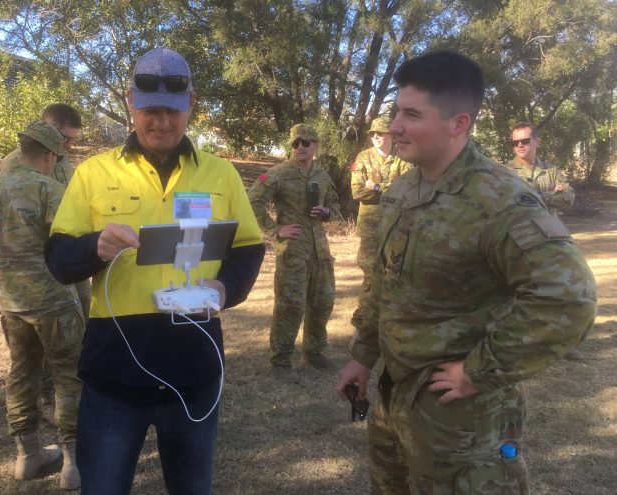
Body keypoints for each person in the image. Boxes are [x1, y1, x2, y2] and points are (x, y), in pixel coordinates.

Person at [336, 50, 596, 494]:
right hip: (395, 392)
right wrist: (363, 354)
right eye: (397, 111)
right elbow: (385, 283)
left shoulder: (498, 199)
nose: (395, 126)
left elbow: (568, 297)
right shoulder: (405, 188)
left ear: (458, 123)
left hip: (459, 418)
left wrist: (480, 370)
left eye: (411, 114)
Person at [44, 47, 265, 495]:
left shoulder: (221, 175)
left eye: (172, 111)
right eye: (151, 111)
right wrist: (95, 246)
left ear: (192, 105)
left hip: (195, 368)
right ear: (130, 101)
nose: (161, 122)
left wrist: (225, 288)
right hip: (114, 372)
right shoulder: (93, 172)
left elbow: (249, 247)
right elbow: (59, 259)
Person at [0, 121, 84, 490]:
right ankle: (72, 465)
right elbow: (70, 243)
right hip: (54, 301)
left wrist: (13, 258)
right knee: (68, 376)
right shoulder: (49, 190)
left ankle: (26, 456)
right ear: (49, 155)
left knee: (21, 373)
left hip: (13, 304)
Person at [0, 103, 90, 421]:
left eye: (72, 141)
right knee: (44, 355)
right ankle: (54, 400)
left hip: (71, 261)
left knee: (81, 326)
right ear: (47, 127)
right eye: (65, 139)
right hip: (38, 273)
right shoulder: (12, 165)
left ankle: (77, 389)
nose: (68, 147)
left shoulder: (63, 160)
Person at [248, 124, 340, 383]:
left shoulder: (321, 173)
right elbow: (253, 200)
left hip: (320, 250)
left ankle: (314, 352)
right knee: (291, 306)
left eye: (306, 142)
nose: (300, 146)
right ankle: (281, 360)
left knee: (323, 303)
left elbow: (334, 205)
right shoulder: (279, 173)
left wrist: (326, 212)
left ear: (316, 145)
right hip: (294, 252)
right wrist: (275, 229)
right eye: (295, 143)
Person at [506, 122, 586, 361]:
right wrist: (550, 195)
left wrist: (533, 196)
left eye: (524, 141)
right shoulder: (504, 172)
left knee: (560, 291)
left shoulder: (551, 171)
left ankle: (562, 343)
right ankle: (517, 344)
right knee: (515, 294)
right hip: (516, 240)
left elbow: (569, 198)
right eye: (514, 142)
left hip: (549, 239)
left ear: (536, 142)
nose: (519, 146)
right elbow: (509, 203)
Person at [350, 116, 411, 329]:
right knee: (369, 271)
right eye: (373, 133)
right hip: (370, 226)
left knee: (393, 270)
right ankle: (363, 318)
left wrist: (375, 187)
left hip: (396, 226)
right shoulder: (363, 157)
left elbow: (407, 192)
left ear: (391, 135)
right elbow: (357, 191)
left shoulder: (403, 159)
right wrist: (389, 188)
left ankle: (386, 318)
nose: (376, 136)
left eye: (380, 133)